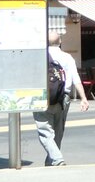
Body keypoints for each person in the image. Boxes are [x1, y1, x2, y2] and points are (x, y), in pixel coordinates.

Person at [33, 32, 89, 167]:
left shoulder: (39, 56)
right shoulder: (67, 57)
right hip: (63, 98)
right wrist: (83, 98)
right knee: (58, 131)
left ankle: (56, 159)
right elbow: (76, 78)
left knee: (45, 131)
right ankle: (51, 160)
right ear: (60, 42)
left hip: (42, 97)